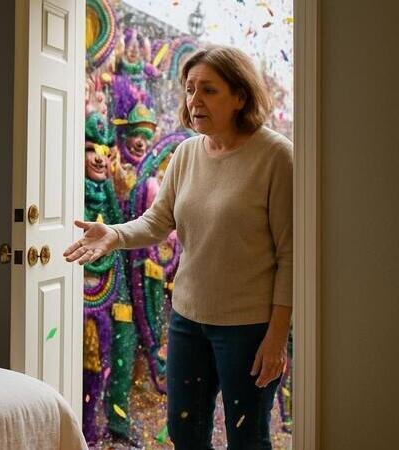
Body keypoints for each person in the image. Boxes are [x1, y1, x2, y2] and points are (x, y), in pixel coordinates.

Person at [64, 45, 293, 449]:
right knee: (185, 432)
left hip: (249, 329)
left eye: (209, 90)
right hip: (188, 321)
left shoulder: (276, 156)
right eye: (189, 89)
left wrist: (276, 337)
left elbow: (292, 257)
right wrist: (113, 234)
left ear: (240, 96)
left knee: (248, 439)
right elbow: (157, 222)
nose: (194, 100)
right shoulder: (187, 153)